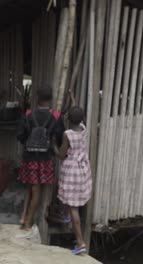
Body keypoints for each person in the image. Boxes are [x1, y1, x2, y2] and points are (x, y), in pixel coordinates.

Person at [16, 88, 60, 230]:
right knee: (36, 189)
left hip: (29, 156)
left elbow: (20, 135)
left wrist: (29, 143)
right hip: (45, 158)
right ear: (50, 99)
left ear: (37, 98)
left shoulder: (28, 114)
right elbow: (60, 135)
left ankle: (24, 217)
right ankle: (28, 221)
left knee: (30, 186)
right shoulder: (55, 116)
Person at [56, 106, 92, 255]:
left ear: (68, 119)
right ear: (82, 119)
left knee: (72, 207)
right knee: (73, 202)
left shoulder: (67, 134)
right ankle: (66, 218)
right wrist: (72, 100)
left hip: (72, 170)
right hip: (83, 170)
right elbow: (77, 116)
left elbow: (61, 155)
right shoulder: (83, 129)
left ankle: (80, 242)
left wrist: (53, 147)